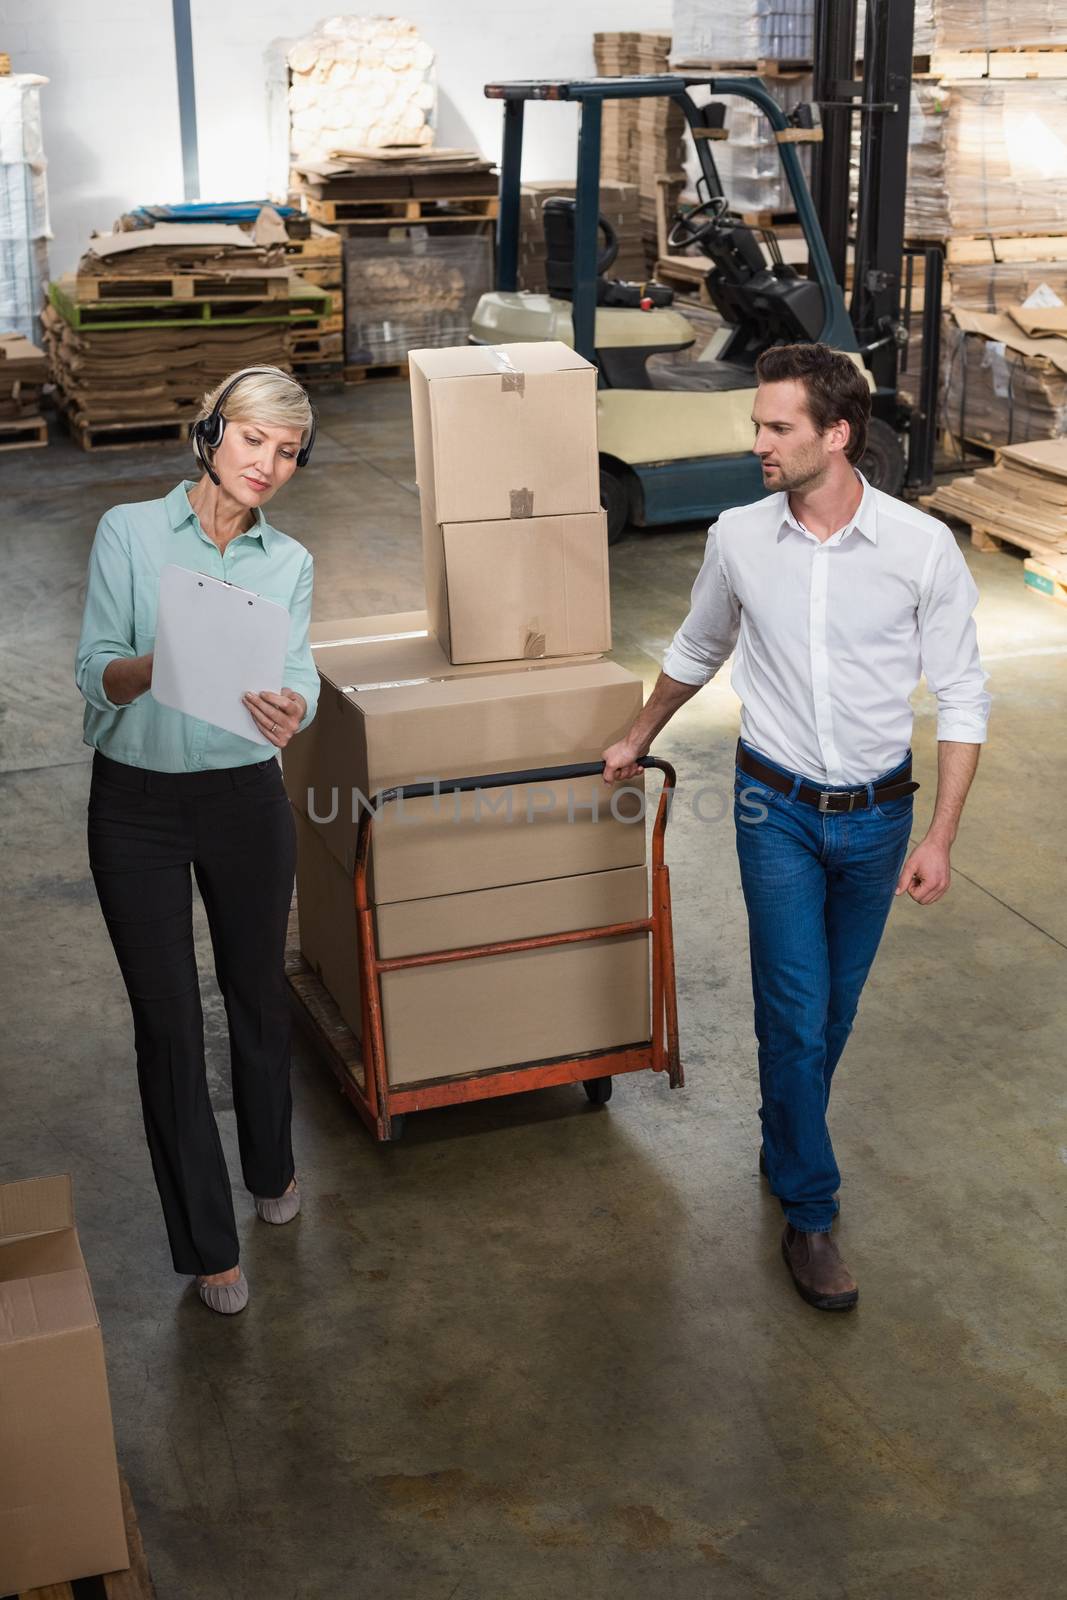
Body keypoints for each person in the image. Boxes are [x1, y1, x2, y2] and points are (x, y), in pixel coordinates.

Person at [603, 342, 990, 1312]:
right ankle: (809, 1213)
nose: (758, 443)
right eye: (756, 425)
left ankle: (784, 1148)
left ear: (836, 434)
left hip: (878, 821)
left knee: (827, 1017)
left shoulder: (916, 548)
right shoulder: (738, 536)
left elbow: (962, 696)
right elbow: (697, 643)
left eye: (777, 427)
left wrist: (938, 836)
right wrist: (635, 732)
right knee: (790, 1008)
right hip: (769, 806)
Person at [75, 366, 321, 1316]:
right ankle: (207, 1246)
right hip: (134, 805)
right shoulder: (129, 534)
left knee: (258, 995)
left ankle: (270, 1165)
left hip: (241, 799)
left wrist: (287, 706)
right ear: (212, 432)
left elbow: (293, 677)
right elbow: (95, 675)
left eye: (288, 452)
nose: (268, 464)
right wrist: (156, 665)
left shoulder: (287, 564)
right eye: (254, 439)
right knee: (170, 1025)